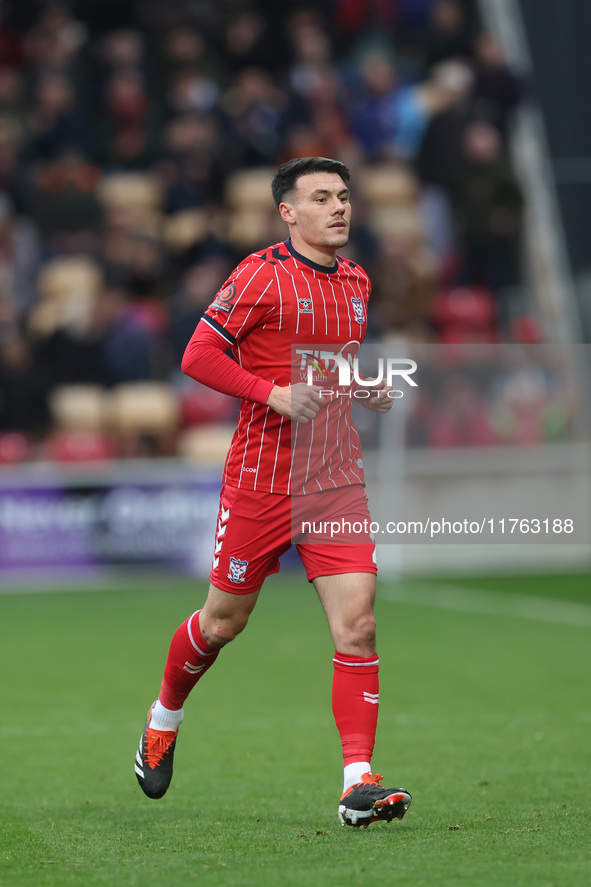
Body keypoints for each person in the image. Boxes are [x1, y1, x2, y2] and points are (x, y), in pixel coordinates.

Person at [134, 156, 412, 828]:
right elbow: (198, 354)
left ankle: (357, 782)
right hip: (262, 480)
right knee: (222, 622)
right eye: (321, 198)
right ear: (288, 212)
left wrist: (359, 385)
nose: (339, 208)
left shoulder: (355, 279)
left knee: (359, 623)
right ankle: (163, 717)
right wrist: (272, 393)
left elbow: (327, 363)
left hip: (334, 479)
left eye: (344, 196)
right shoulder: (259, 274)